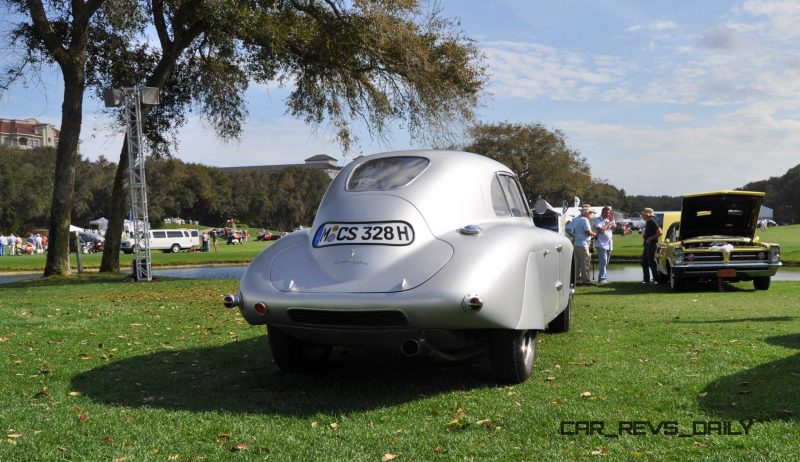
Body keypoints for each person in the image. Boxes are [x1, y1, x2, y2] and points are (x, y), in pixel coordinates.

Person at [571, 205, 597, 285]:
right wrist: (595, 234)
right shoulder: (585, 220)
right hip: (583, 245)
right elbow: (588, 232)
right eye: (590, 213)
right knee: (585, 263)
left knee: (578, 263)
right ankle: (586, 280)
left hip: (577, 244)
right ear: (586, 213)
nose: (591, 215)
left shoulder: (578, 219)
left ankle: (578, 280)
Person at [594, 206, 617, 284]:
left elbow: (614, 228)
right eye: (607, 212)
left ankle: (603, 277)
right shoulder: (598, 220)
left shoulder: (609, 219)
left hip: (609, 244)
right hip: (601, 244)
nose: (608, 214)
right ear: (602, 212)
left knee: (606, 262)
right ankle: (602, 279)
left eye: (609, 212)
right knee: (603, 262)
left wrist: (612, 223)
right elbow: (601, 230)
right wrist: (608, 224)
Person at [641, 207, 662, 284]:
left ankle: (655, 279)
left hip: (651, 245)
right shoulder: (648, 222)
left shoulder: (653, 222)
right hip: (647, 245)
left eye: (643, 215)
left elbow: (660, 232)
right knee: (644, 262)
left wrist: (651, 238)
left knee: (651, 262)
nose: (642, 216)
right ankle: (646, 280)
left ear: (647, 215)